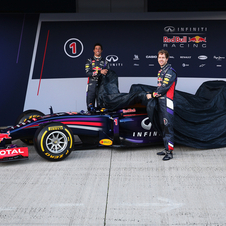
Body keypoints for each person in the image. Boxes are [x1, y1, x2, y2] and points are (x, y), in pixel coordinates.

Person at [146, 49, 177, 161]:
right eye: (159, 57)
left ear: (167, 59)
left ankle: (170, 152)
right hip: (161, 103)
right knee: (163, 126)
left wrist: (152, 95)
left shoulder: (170, 71)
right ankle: (166, 148)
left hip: (167, 103)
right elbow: (160, 87)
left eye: (163, 57)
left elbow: (163, 88)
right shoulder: (161, 71)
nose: (161, 59)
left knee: (167, 126)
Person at [85, 43, 110, 110]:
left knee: (102, 108)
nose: (97, 50)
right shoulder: (89, 61)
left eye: (99, 48)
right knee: (90, 108)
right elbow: (88, 73)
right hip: (91, 87)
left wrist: (98, 72)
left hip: (102, 88)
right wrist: (100, 72)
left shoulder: (105, 62)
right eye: (96, 48)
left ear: (101, 50)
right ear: (94, 50)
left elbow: (107, 75)